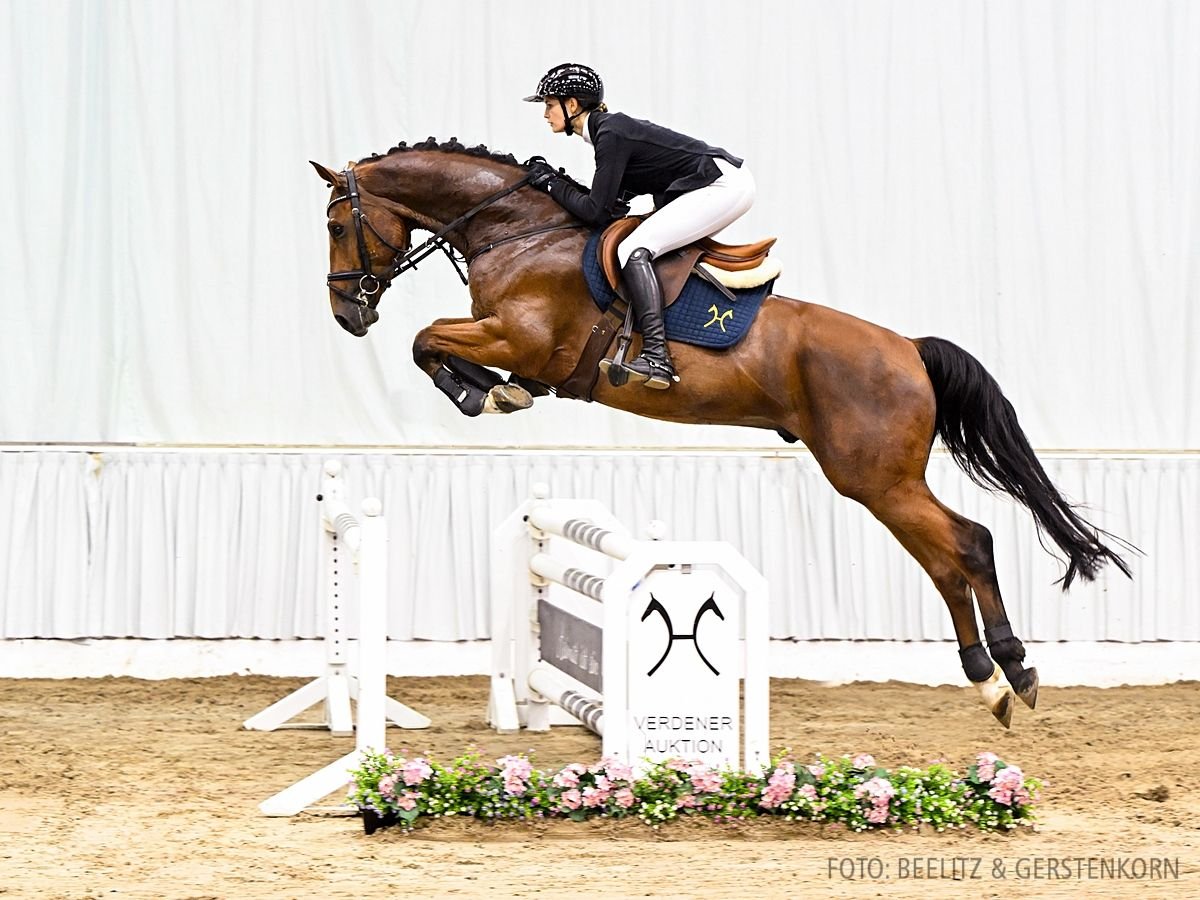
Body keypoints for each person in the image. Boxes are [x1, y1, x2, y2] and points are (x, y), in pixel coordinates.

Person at [524, 63, 756, 390]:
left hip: (723, 185)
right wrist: (561, 185)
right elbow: (609, 207)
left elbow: (594, 211)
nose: (546, 114)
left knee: (632, 248)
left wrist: (551, 184)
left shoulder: (610, 133)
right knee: (636, 243)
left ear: (572, 105)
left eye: (549, 105)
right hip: (720, 183)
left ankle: (657, 357)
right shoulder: (608, 133)